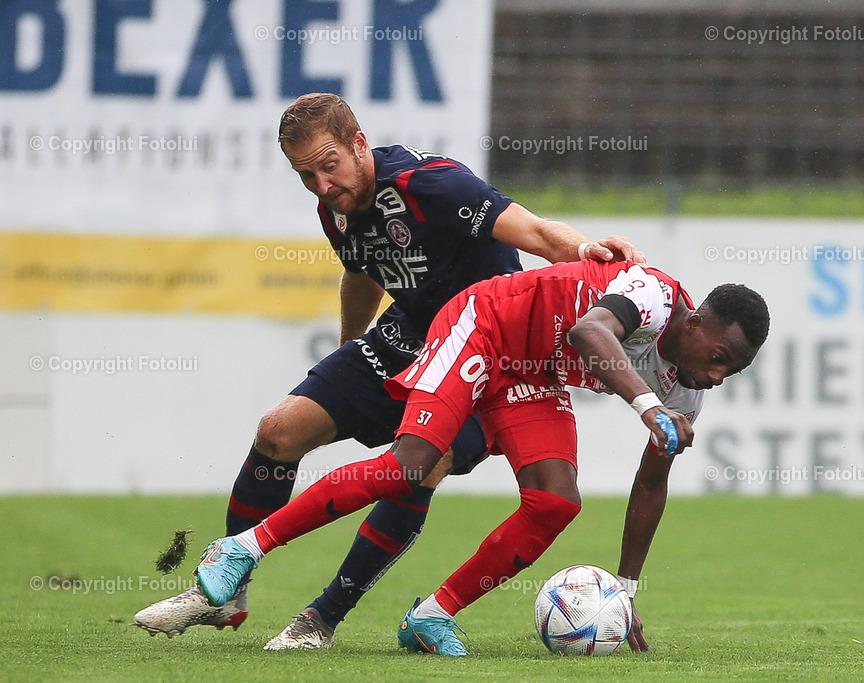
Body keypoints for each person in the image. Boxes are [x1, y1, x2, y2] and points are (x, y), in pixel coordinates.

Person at [133, 93, 644, 648]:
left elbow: (540, 234)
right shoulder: (336, 207)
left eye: (329, 165)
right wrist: (348, 355)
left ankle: (320, 620)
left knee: (423, 464)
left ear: (359, 144)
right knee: (278, 431)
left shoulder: (437, 186)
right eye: (305, 175)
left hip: (485, 359)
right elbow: (361, 273)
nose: (323, 185)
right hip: (403, 341)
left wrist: (590, 249)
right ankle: (228, 589)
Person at [189, 258, 769, 655]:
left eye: (732, 370)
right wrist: (646, 406)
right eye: (718, 356)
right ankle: (241, 548)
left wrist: (627, 588)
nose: (718, 376)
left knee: (555, 502)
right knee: (411, 464)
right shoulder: (655, 295)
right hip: (485, 325)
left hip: (534, 373)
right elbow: (589, 332)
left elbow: (650, 484)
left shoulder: (686, 388)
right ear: (693, 324)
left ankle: (432, 616)